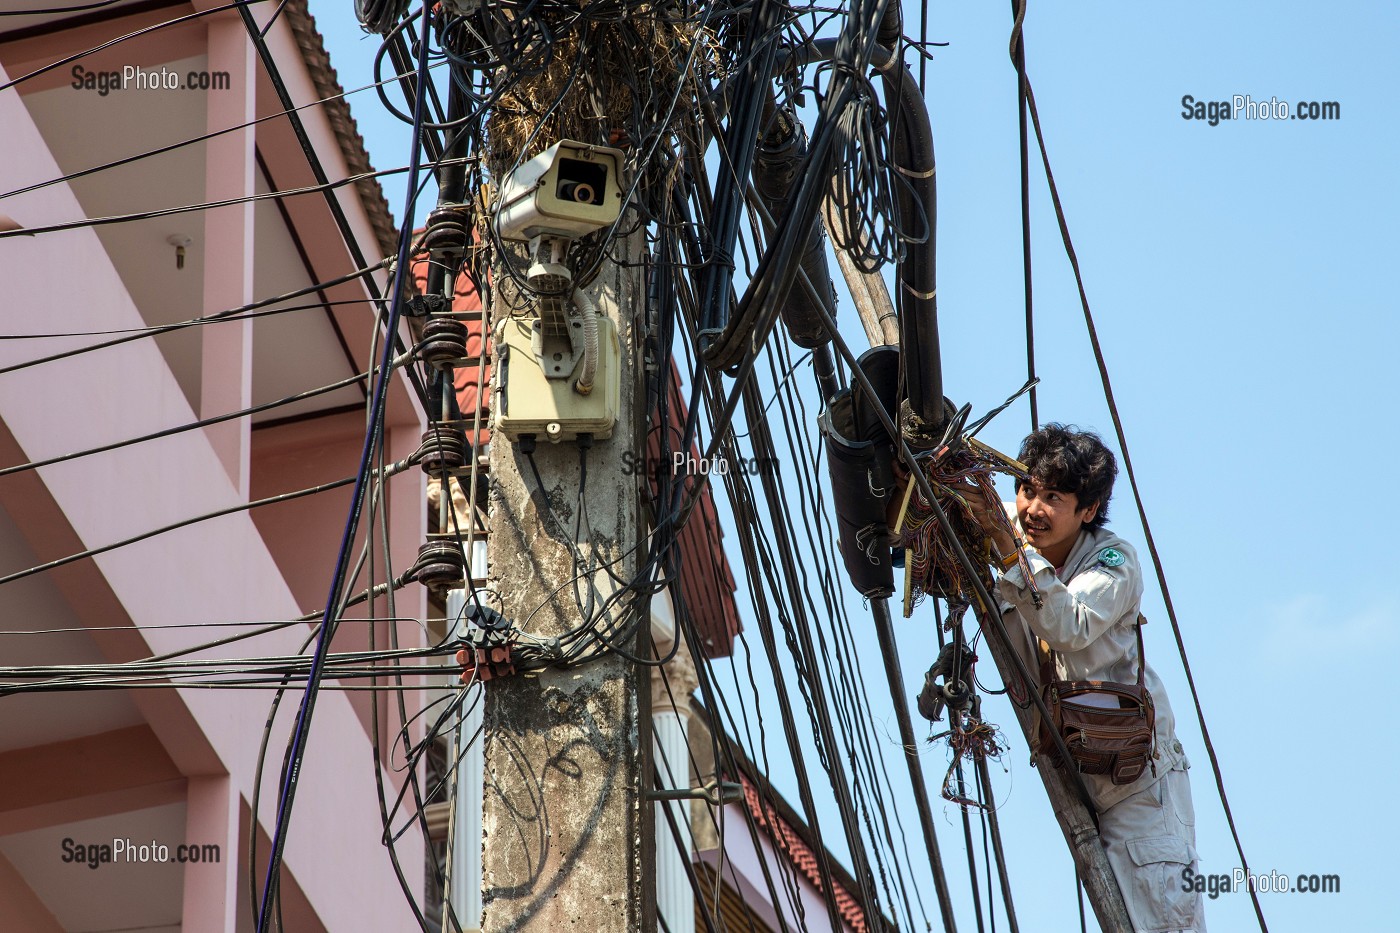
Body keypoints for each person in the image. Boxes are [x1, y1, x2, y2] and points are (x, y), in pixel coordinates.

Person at [968, 424, 1206, 933]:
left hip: (1139, 787)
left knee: (1160, 919)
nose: (1033, 507)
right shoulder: (1004, 539)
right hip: (1079, 770)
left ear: (1089, 510)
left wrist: (1009, 549)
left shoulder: (1112, 562)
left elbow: (1070, 625)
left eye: (1053, 496)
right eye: (1027, 489)